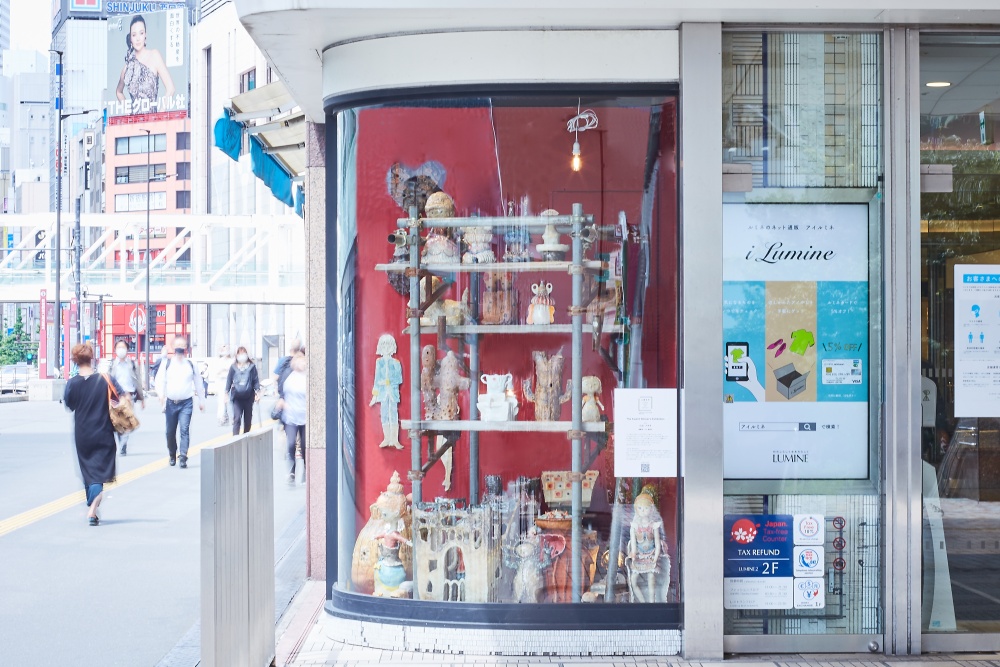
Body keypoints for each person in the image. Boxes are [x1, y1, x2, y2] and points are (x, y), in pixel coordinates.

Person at [64, 343, 122, 526]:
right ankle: (92, 508)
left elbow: (69, 405)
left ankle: (92, 504)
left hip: (82, 434)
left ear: (75, 360)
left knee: (88, 470)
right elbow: (118, 398)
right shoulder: (104, 379)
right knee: (100, 473)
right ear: (92, 358)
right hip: (103, 431)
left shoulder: (72, 383)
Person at [154, 336, 205, 468]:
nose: (180, 347)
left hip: (186, 402)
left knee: (184, 429)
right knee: (170, 432)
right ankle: (172, 454)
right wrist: (161, 395)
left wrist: (201, 400)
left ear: (186, 347)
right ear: (173, 347)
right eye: (177, 344)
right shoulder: (167, 363)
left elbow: (198, 383)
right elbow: (159, 380)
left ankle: (183, 456)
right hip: (171, 403)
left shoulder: (191, 364)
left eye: (182, 345)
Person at [115, 14, 176, 113]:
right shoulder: (128, 67)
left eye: (141, 33)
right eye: (134, 35)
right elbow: (119, 92)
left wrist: (159, 116)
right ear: (130, 39)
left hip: (153, 120)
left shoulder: (154, 55)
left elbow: (171, 88)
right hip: (134, 121)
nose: (138, 38)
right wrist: (129, 112)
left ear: (145, 35)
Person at [109, 340, 146, 456]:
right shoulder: (112, 365)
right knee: (116, 421)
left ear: (127, 349)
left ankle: (123, 444)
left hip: (129, 396)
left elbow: (138, 381)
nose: (121, 350)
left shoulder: (133, 364)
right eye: (118, 347)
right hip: (115, 396)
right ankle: (121, 442)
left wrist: (142, 399)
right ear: (115, 350)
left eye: (123, 347)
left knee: (127, 421)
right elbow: (108, 381)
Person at [275, 352, 306, 484]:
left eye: (303, 361)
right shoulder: (288, 375)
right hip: (291, 416)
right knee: (291, 443)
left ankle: (306, 469)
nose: (301, 364)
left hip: (304, 416)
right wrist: (282, 401)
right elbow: (281, 390)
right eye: (299, 361)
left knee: (304, 445)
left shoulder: (308, 378)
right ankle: (292, 471)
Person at [226, 346, 261, 436]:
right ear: (237, 355)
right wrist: (226, 392)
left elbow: (255, 380)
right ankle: (235, 439)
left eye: (243, 353)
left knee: (248, 420)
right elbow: (229, 380)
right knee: (237, 418)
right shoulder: (233, 367)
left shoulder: (252, 367)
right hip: (237, 397)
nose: (242, 355)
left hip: (249, 397)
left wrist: (258, 392)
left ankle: (246, 436)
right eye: (240, 353)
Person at [212, 345, 233, 426]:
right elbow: (216, 373)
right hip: (221, 382)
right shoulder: (219, 361)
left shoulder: (232, 361)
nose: (226, 351)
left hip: (231, 383)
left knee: (231, 400)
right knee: (221, 401)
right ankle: (221, 418)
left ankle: (233, 418)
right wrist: (224, 370)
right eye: (224, 349)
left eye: (227, 349)